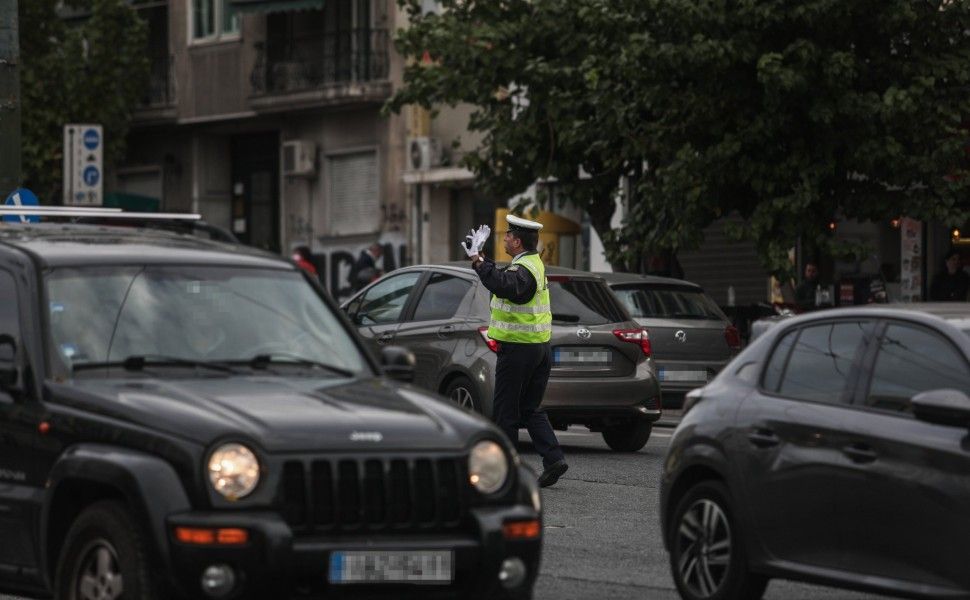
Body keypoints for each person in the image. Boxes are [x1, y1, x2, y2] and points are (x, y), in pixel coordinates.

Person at [462, 215, 568, 488]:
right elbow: (504, 278)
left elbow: (507, 286)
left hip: (520, 350)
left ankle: (505, 471)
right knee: (530, 408)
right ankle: (554, 458)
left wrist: (477, 261)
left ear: (518, 241)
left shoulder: (524, 270)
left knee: (506, 411)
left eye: (508, 235)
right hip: (538, 349)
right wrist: (482, 260)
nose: (505, 238)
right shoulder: (530, 264)